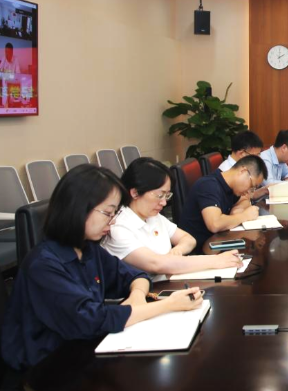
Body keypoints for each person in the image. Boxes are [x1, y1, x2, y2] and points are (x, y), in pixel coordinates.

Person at [1, 164, 202, 370]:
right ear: (78, 209)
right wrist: (168, 305)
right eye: (108, 213)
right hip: (46, 365)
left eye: (114, 213)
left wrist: (137, 295)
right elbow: (91, 320)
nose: (112, 222)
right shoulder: (43, 265)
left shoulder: (88, 249)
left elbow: (137, 276)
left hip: (84, 349)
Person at [103, 158, 243, 281]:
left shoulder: (153, 216)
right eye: (160, 195)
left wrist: (178, 251)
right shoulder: (118, 227)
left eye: (167, 196)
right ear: (135, 193)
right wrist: (215, 261)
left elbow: (189, 239)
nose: (164, 203)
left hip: (167, 282)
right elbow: (156, 264)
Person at [178, 155, 267, 248]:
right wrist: (244, 216)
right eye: (251, 186)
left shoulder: (233, 187)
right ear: (243, 171)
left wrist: (238, 209)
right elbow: (215, 224)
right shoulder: (209, 186)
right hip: (196, 249)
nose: (249, 192)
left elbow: (245, 199)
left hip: (217, 243)